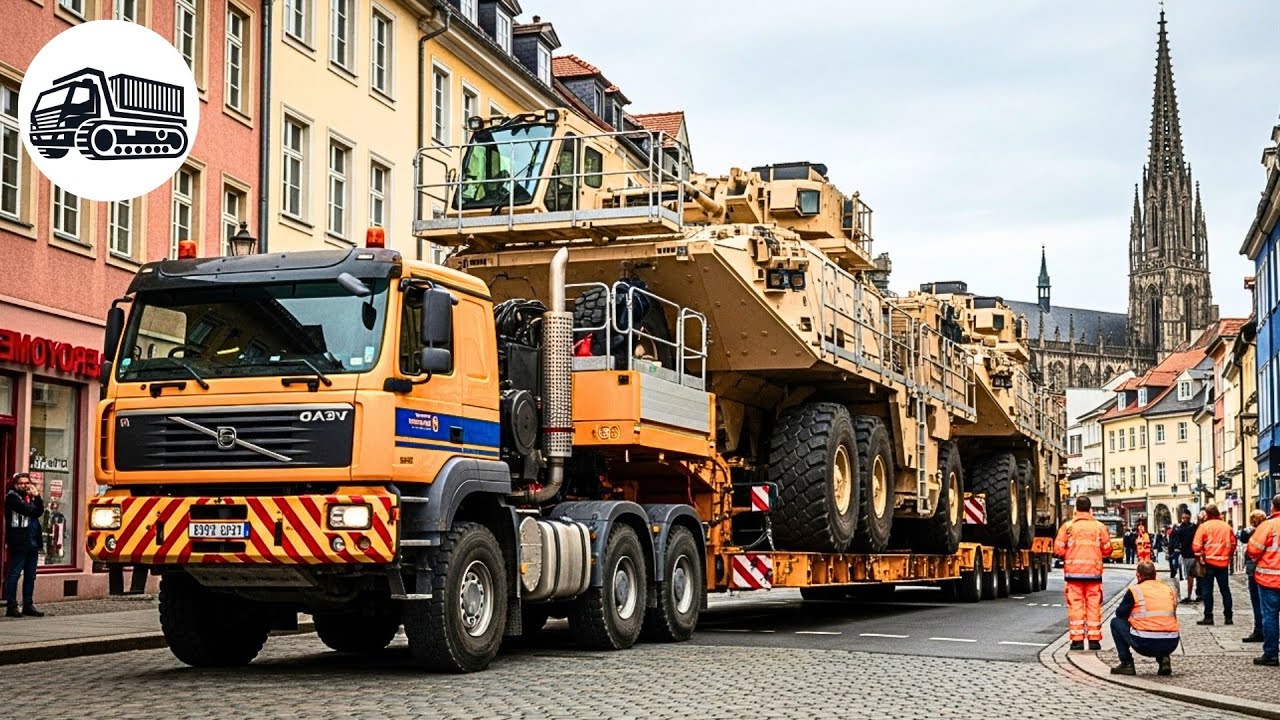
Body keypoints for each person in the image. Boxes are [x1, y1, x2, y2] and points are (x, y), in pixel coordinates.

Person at [1054, 495, 1112, 650]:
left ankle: (1077, 640)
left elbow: (1058, 549)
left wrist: (1071, 552)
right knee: (1094, 606)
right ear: (1090, 509)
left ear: (1076, 509)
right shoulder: (1099, 527)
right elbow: (1107, 550)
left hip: (1073, 574)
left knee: (1076, 606)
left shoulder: (1068, 527)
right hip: (1093, 574)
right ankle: (1094, 639)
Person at [1110, 561, 1180, 676]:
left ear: (1138, 575)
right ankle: (1164, 659)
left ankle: (1126, 663)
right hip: (1171, 642)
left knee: (1115, 622)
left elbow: (1120, 614)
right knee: (1162, 622)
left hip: (1145, 642)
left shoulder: (1135, 590)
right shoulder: (1168, 589)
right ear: (1155, 575)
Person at [4, 472, 44, 618]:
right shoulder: (12, 498)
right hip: (19, 541)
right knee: (14, 574)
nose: (24, 486)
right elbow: (29, 510)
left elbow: (39, 512)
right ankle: (11, 606)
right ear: (15, 484)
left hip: (32, 541)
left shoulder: (30, 498)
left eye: (27, 483)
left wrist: (37, 496)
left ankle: (28, 605)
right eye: (21, 483)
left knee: (30, 575)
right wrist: (35, 498)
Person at [1246, 494, 1280, 666]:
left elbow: (1253, 549)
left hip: (1270, 579)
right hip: (1270, 578)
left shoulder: (1268, 526)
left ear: (1273, 507)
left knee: (1270, 616)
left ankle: (1271, 654)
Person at [1192, 503, 1237, 626]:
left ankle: (1208, 616)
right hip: (1223, 562)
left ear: (1207, 514)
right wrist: (1228, 555)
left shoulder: (1204, 527)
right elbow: (1233, 544)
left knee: (1207, 590)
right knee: (1225, 590)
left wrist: (1200, 557)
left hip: (1208, 562)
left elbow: (1196, 546)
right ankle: (1228, 617)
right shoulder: (1226, 527)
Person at [1242, 509, 1268, 643]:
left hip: (1256, 570)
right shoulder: (1269, 529)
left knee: (1257, 602)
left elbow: (1245, 540)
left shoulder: (1253, 532)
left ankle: (1260, 630)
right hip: (1270, 570)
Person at [1171, 510, 1198, 602]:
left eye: (1187, 518)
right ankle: (1184, 596)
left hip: (1193, 555)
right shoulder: (1178, 528)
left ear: (1190, 517)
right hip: (1182, 555)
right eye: (1183, 518)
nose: (1185, 519)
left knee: (1191, 576)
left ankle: (1190, 595)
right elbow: (1174, 541)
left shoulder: (1194, 527)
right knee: (1183, 576)